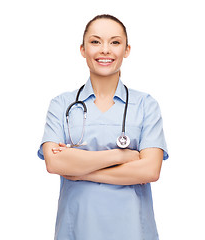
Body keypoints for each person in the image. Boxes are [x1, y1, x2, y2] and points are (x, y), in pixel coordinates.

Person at [38, 14, 169, 240]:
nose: (105, 50)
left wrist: (78, 170)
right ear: (83, 49)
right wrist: (123, 155)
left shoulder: (146, 105)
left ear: (127, 50)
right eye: (95, 41)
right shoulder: (61, 104)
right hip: (78, 228)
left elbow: (150, 170)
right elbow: (54, 162)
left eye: (115, 42)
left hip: (133, 230)